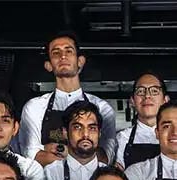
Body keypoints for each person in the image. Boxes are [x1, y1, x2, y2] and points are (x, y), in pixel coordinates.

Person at [19, 32, 117, 167]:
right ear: (48, 65)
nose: (63, 56)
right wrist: (82, 154)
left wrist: (61, 151)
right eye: (56, 53)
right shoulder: (34, 107)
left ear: (80, 61)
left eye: (69, 51)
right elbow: (31, 155)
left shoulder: (102, 108)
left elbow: (105, 157)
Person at [44, 100, 102, 180]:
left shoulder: (111, 176)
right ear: (65, 132)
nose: (85, 134)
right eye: (78, 127)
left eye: (92, 128)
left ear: (100, 133)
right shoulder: (52, 172)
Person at [114, 72, 168, 169]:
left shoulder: (176, 136)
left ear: (165, 100)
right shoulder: (121, 139)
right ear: (132, 101)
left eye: (154, 91)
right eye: (140, 91)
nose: (147, 95)